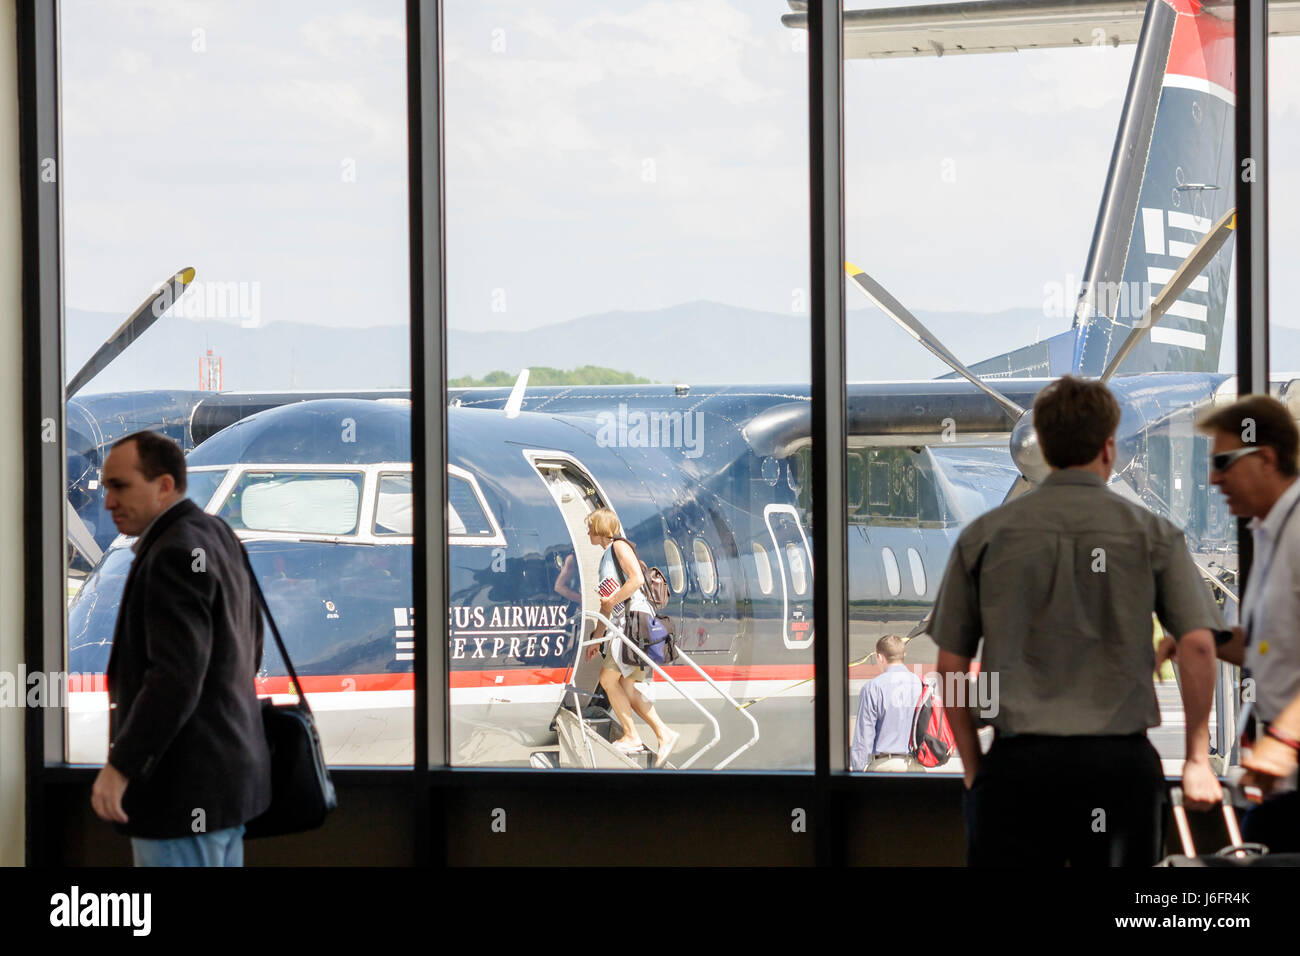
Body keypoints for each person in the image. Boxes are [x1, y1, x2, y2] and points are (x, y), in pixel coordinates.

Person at [931, 375, 1225, 867]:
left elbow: (951, 667)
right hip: (1117, 769)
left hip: (1017, 773)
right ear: (1109, 449)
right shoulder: (1152, 535)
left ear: (1041, 446)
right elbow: (1197, 646)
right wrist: (1197, 756)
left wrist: (974, 769)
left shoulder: (984, 537)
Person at [90, 430, 271, 866]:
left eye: (120, 486)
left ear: (164, 485)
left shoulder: (172, 553)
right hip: (226, 793)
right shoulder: (217, 533)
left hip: (181, 794)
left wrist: (121, 768)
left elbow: (175, 677)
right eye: (105, 488)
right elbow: (251, 644)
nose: (108, 502)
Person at [1159, 395, 1300, 850]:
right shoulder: (1269, 533)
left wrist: (1283, 740)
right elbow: (1265, 647)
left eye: (1223, 462)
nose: (1212, 478)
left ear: (1265, 458)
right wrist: (1201, 638)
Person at [582, 508, 680, 768]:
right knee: (626, 686)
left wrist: (612, 600)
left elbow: (635, 580)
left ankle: (632, 736)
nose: (587, 531)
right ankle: (664, 734)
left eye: (590, 526)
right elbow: (607, 606)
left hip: (632, 624)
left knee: (607, 679)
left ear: (600, 527)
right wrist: (597, 638)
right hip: (620, 624)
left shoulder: (619, 547)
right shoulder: (606, 556)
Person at [850, 635, 923, 772]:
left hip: (884, 768)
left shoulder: (872, 688)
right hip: (915, 767)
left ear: (880, 657)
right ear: (903, 655)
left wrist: (857, 773)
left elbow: (863, 738)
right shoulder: (921, 685)